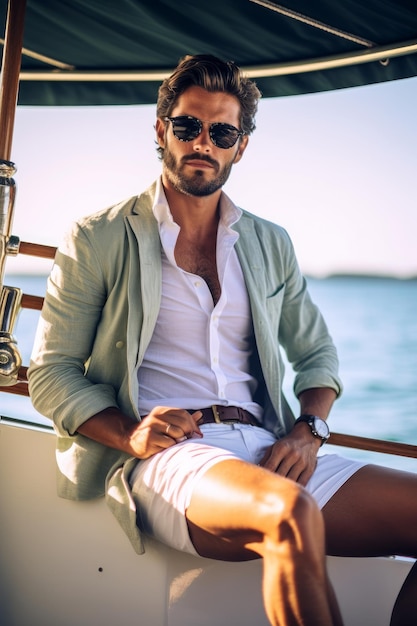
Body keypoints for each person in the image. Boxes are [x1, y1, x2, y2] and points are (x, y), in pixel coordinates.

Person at [28, 54, 417, 626]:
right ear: (162, 131)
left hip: (268, 447)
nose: (202, 143)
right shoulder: (99, 237)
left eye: (222, 131)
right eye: (187, 126)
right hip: (171, 459)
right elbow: (51, 371)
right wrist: (131, 434)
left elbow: (317, 359)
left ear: (241, 145)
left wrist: (310, 432)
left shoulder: (267, 242)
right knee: (290, 515)